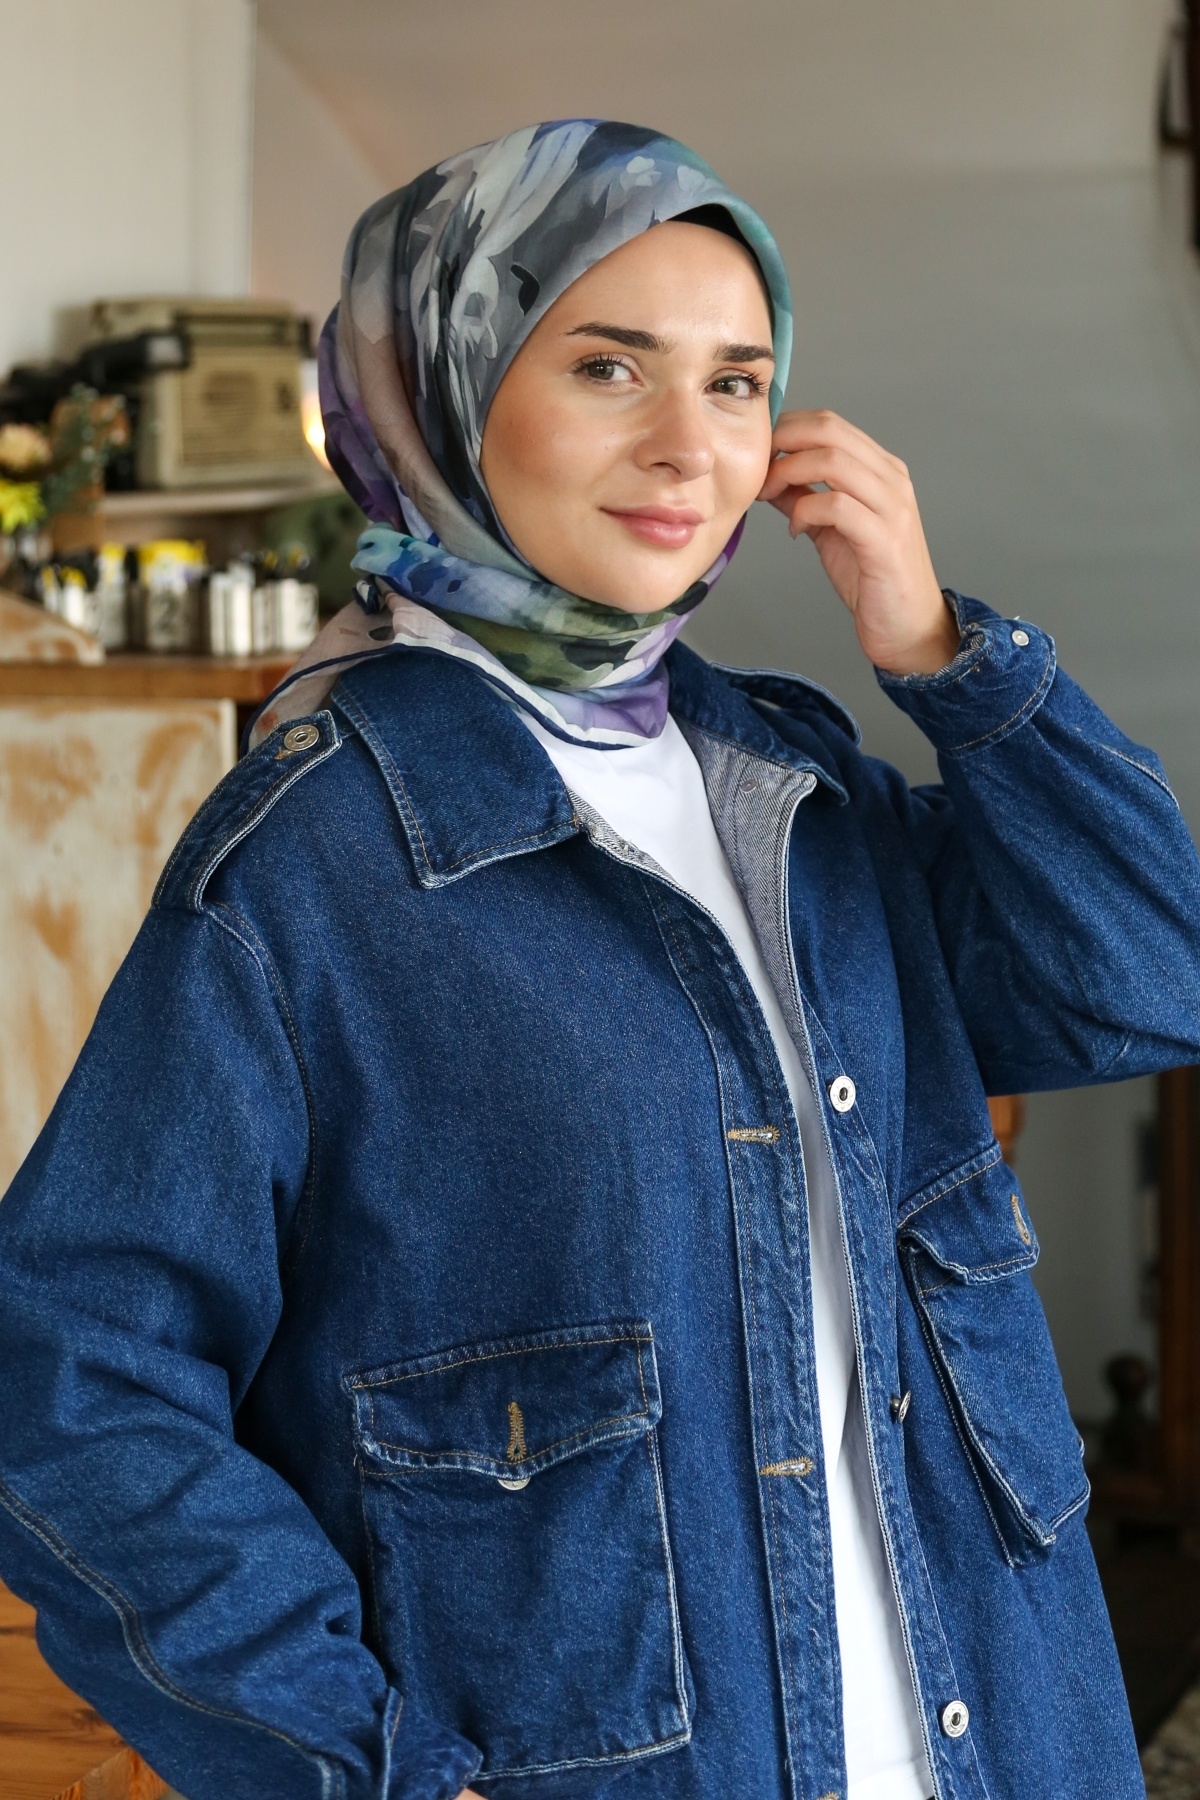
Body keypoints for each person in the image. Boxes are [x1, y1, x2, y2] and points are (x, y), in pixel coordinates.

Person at [0, 119, 1197, 1800]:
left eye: (736, 382)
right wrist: (372, 1768)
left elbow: (1146, 977)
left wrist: (944, 654)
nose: (687, 444)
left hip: (999, 1741)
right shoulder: (315, 862)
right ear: (441, 389)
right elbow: (70, 1381)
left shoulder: (797, 789)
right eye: (609, 366)